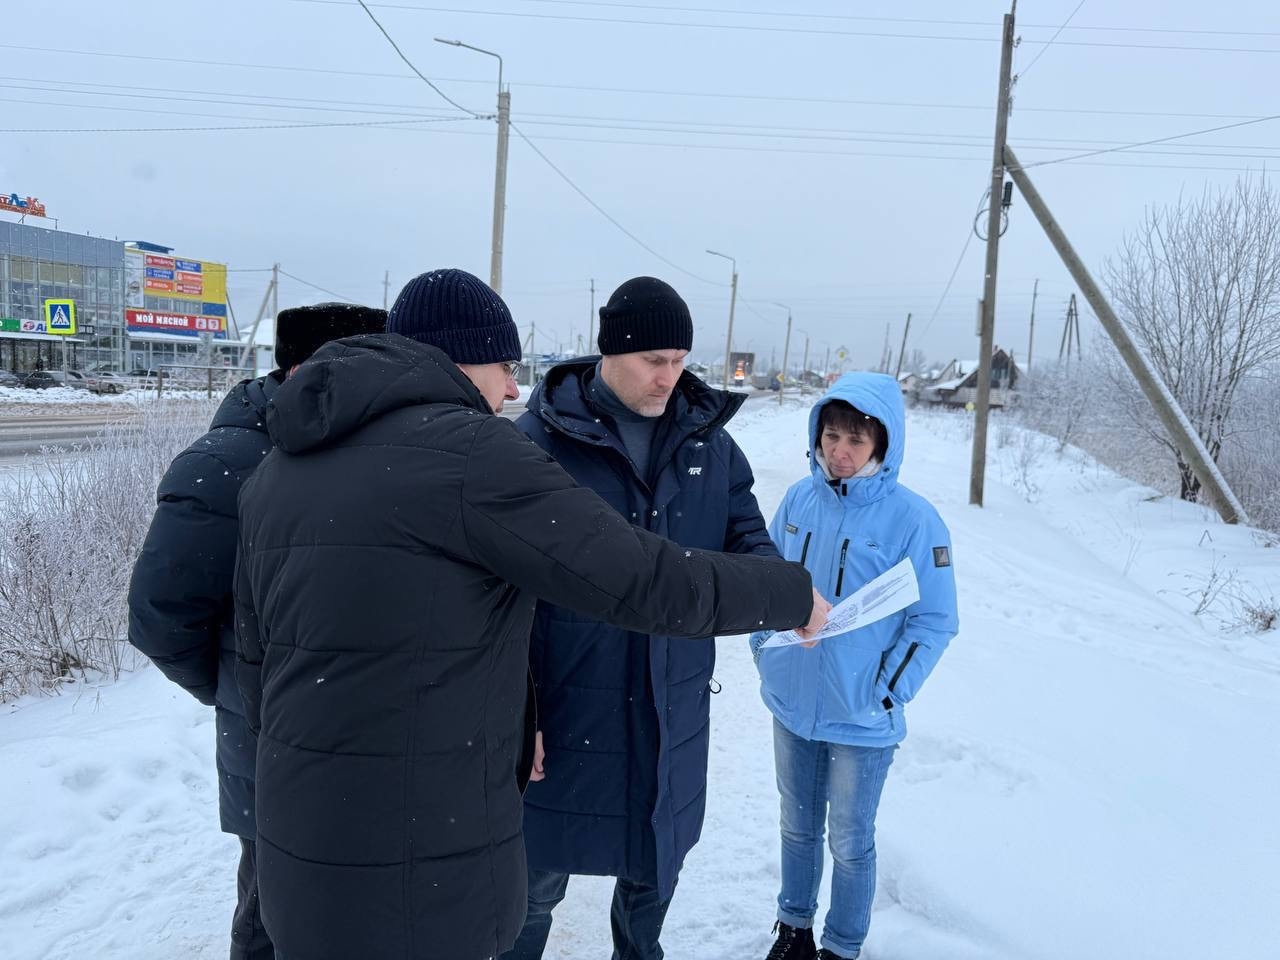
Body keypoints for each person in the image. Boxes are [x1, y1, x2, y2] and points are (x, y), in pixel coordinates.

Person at [232, 268, 829, 960]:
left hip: (301, 833)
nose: (514, 389)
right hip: (419, 841)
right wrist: (788, 594)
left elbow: (252, 663)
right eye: (505, 367)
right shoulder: (479, 455)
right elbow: (642, 578)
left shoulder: (280, 468)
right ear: (456, 358)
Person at [505, 276, 778, 960]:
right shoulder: (537, 442)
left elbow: (748, 541)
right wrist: (516, 709)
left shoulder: (708, 444)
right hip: (564, 705)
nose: (670, 377)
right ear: (609, 354)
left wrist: (781, 594)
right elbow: (500, 593)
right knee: (532, 889)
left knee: (653, 874)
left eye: (680, 360)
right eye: (654, 360)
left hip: (670, 701)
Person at [126, 302, 388, 960]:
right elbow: (161, 615)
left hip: (372, 748)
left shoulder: (378, 450)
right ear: (304, 369)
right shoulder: (229, 462)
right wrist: (235, 691)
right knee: (275, 918)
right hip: (274, 750)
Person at [751, 372, 959, 960]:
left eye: (856, 441)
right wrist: (764, 648)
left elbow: (934, 620)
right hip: (792, 702)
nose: (840, 452)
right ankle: (794, 931)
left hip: (862, 715)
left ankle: (842, 947)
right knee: (796, 826)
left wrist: (886, 692)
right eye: (831, 437)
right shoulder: (799, 500)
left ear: (882, 444)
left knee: (849, 839)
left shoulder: (914, 521)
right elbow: (765, 579)